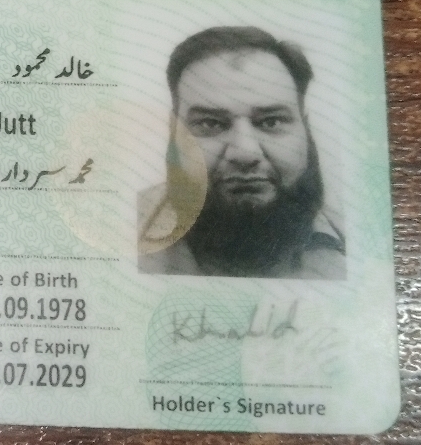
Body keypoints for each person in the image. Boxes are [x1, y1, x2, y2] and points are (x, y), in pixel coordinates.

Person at [138, 26, 346, 279]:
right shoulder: (121, 226)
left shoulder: (359, 249)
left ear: (305, 129)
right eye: (210, 123)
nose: (245, 154)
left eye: (271, 122)